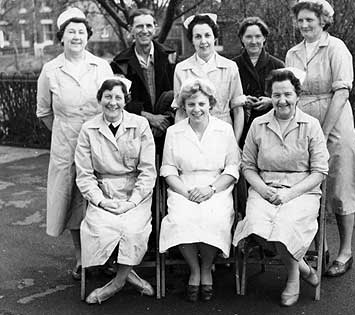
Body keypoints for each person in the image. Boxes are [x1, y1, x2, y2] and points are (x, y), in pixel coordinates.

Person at [233, 69, 329, 306]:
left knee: (284, 225)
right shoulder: (258, 124)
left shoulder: (311, 125)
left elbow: (320, 171)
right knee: (256, 226)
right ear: (270, 96)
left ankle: (293, 278)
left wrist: (290, 194)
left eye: (287, 94)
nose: (282, 100)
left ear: (298, 95)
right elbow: (247, 166)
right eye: (276, 95)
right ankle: (305, 268)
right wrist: (263, 190)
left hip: (301, 191)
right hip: (265, 188)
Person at [36, 7, 113, 280]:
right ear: (62, 37)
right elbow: (44, 112)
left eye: (81, 32)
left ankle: (103, 256)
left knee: (101, 198)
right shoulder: (50, 70)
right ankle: (82, 259)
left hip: (99, 142)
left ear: (88, 36)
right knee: (73, 202)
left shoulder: (101, 66)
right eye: (71, 32)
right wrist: (64, 131)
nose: (77, 36)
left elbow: (112, 104)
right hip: (66, 145)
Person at [285, 0, 355, 277]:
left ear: (323, 20)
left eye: (310, 21)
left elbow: (341, 93)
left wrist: (324, 133)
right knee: (309, 186)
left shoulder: (336, 48)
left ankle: (345, 251)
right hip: (304, 122)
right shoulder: (293, 53)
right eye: (301, 21)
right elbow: (290, 92)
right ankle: (321, 247)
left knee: (341, 186)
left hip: (335, 122)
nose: (305, 25)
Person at [75, 77, 156, 304]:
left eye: (118, 97)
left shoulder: (140, 125)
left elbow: (148, 171)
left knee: (132, 230)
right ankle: (129, 275)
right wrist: (100, 201)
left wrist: (133, 201)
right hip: (103, 193)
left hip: (135, 195)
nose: (113, 102)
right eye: (108, 97)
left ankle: (116, 283)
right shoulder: (88, 129)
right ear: (100, 99)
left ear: (125, 100)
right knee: (100, 229)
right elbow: (84, 174)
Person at [159, 78, 241, 302]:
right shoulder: (174, 132)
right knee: (180, 219)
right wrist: (186, 193)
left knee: (212, 218)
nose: (196, 109)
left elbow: (233, 167)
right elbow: (168, 170)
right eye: (191, 104)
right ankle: (194, 269)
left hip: (216, 187)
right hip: (183, 187)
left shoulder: (224, 130)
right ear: (184, 106)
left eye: (201, 104)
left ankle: (207, 268)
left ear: (210, 105)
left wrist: (211, 189)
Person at [173, 13, 246, 143]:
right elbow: (180, 111)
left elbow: (238, 109)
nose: (203, 41)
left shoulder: (230, 67)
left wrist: (234, 142)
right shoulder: (181, 69)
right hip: (192, 136)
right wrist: (180, 142)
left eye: (207, 35)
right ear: (192, 40)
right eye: (198, 37)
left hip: (223, 135)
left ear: (215, 37)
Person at [111, 8, 176, 152]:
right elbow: (120, 100)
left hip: (168, 130)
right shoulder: (120, 63)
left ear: (155, 28)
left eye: (149, 26)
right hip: (134, 133)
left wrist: (164, 121)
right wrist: (150, 119)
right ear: (130, 29)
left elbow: (177, 94)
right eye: (139, 26)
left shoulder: (170, 57)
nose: (144, 30)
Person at [233, 16, 284, 147]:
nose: (253, 41)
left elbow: (288, 95)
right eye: (248, 37)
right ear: (242, 39)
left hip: (271, 125)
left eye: (258, 36)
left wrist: (270, 101)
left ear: (264, 38)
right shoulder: (232, 65)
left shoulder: (277, 65)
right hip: (241, 125)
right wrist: (242, 100)